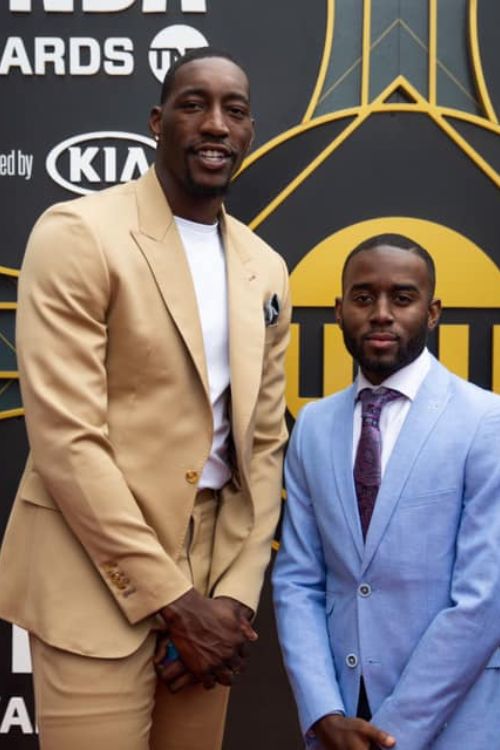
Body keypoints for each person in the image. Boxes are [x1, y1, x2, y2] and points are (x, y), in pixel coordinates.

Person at [0, 48, 290, 750]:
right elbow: (68, 440)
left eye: (235, 110)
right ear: (158, 123)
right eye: (195, 104)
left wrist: (227, 604)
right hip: (92, 570)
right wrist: (174, 603)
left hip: (211, 580)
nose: (216, 124)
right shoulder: (78, 234)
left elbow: (261, 447)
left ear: (250, 131)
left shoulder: (265, 268)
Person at [272, 234, 500, 750]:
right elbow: (298, 581)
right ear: (337, 312)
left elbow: (483, 602)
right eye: (362, 297)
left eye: (401, 298)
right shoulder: (312, 426)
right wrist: (324, 712)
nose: (380, 313)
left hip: (453, 723)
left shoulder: (486, 421)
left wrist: (392, 732)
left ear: (433, 311)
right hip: (341, 725)